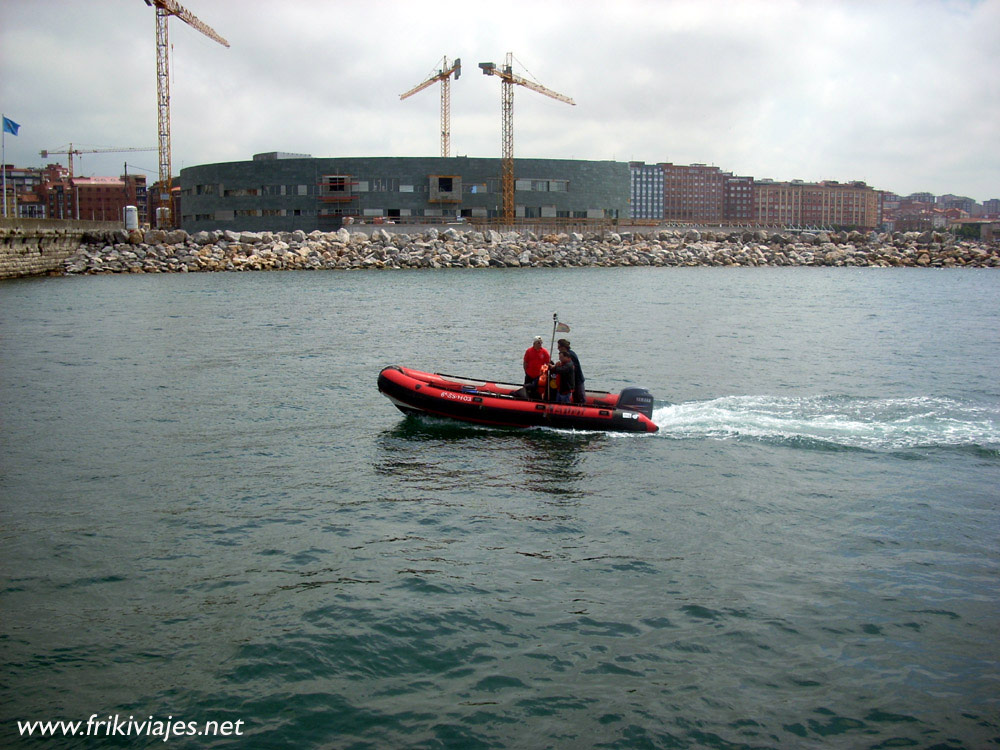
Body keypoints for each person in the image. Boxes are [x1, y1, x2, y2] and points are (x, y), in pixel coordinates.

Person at [557, 338, 586, 404]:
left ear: (563, 347)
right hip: (572, 380)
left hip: (577, 380)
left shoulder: (570, 355)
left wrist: (558, 368)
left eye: (559, 347)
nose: (558, 348)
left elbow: (570, 368)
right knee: (576, 397)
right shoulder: (566, 354)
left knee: (580, 397)